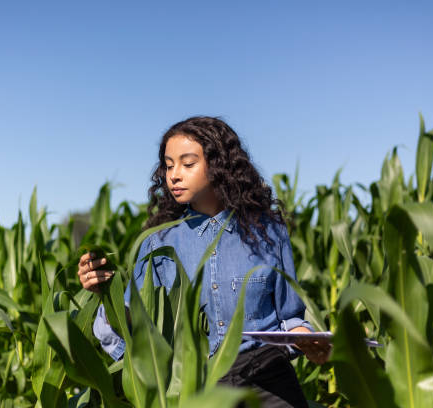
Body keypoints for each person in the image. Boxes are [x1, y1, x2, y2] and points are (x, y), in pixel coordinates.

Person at [78, 116, 330, 407]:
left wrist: (308, 340)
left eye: (187, 164)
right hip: (195, 387)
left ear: (219, 165)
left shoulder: (268, 232)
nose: (174, 175)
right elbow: (133, 325)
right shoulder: (159, 243)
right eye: (169, 165)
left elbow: (290, 317)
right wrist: (105, 292)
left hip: (268, 378)